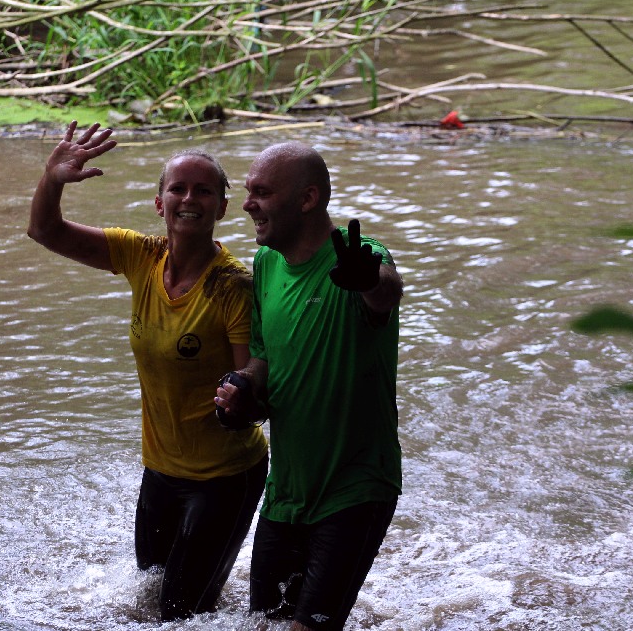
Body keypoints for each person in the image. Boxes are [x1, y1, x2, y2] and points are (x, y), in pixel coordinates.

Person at [27, 121, 268, 622]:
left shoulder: (233, 286)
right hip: (160, 470)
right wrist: (51, 178)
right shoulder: (141, 255)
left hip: (225, 476)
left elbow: (252, 378)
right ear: (160, 203)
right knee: (150, 602)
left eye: (204, 191)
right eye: (178, 188)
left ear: (223, 207)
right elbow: (45, 231)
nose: (189, 199)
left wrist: (241, 394)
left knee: (179, 613)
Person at [215, 141, 404, 631]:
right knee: (264, 625)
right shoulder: (265, 263)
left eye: (261, 192)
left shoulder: (360, 257)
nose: (247, 204)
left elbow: (385, 292)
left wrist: (368, 280)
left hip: (355, 488)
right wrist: (241, 389)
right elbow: (263, 359)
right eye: (248, 191)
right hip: (286, 492)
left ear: (307, 199)